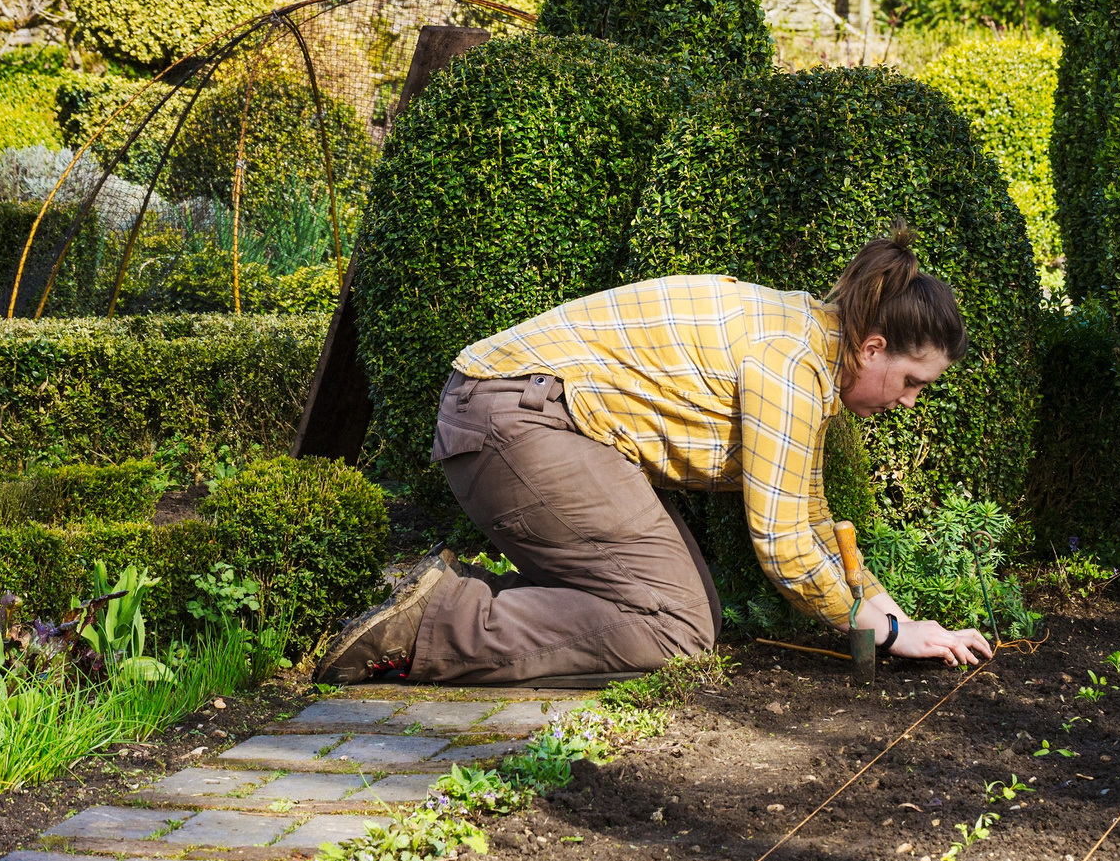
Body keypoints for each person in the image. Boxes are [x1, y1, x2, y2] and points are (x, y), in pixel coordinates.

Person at [322, 228, 996, 685]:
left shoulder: (805, 347)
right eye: (913, 382)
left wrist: (896, 617)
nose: (910, 401)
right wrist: (879, 631)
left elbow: (809, 516)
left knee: (685, 609)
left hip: (527, 418)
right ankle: (429, 626)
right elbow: (785, 544)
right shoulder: (791, 362)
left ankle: (440, 598)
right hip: (513, 421)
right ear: (874, 348)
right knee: (675, 627)